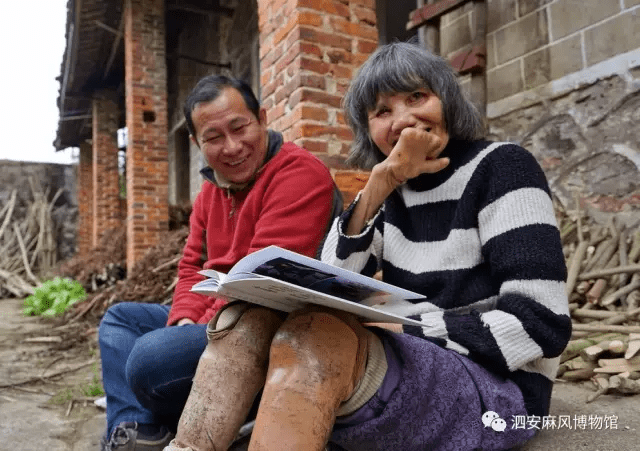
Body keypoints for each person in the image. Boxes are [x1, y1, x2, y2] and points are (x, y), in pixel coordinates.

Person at [164, 43, 571, 451]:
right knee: (246, 319)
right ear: (368, 130)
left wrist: (407, 326)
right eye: (382, 111)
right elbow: (327, 278)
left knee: (317, 338)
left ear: (446, 98)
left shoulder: (502, 168)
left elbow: (540, 324)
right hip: (414, 366)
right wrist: (378, 188)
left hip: (497, 392)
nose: (404, 120)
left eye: (417, 97)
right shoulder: (392, 192)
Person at [98, 75, 340, 451]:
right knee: (120, 319)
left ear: (261, 118)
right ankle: (137, 432)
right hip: (213, 317)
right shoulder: (210, 191)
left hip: (267, 326)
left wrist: (184, 330)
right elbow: (191, 267)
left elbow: (256, 282)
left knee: (149, 360)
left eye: (239, 127)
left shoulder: (299, 174)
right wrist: (181, 319)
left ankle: (174, 414)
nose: (232, 147)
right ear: (196, 143)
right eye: (213, 137)